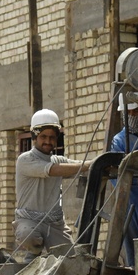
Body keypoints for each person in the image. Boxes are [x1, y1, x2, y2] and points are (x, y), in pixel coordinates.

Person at [14, 108, 90, 261]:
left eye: (52, 137)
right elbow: (54, 170)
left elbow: (78, 166)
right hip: (30, 221)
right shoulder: (25, 160)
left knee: (70, 262)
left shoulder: (58, 160)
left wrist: (99, 164)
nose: (48, 141)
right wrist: (89, 165)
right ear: (35, 137)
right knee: (27, 234)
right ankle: (33, 254)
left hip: (54, 223)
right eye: (43, 137)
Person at [110, 100, 138, 269]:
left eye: (136, 112)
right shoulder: (120, 141)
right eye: (128, 113)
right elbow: (117, 177)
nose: (132, 117)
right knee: (135, 253)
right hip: (130, 201)